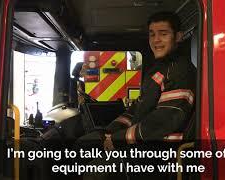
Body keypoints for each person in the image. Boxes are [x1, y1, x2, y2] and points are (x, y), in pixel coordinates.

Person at [81, 11, 196, 179]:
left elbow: (164, 121)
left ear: (178, 37)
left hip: (161, 157)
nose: (156, 40)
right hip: (145, 148)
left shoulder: (180, 71)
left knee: (96, 172)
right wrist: (109, 131)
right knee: (83, 146)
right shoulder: (157, 70)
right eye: (152, 34)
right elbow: (136, 110)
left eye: (163, 34)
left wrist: (117, 139)